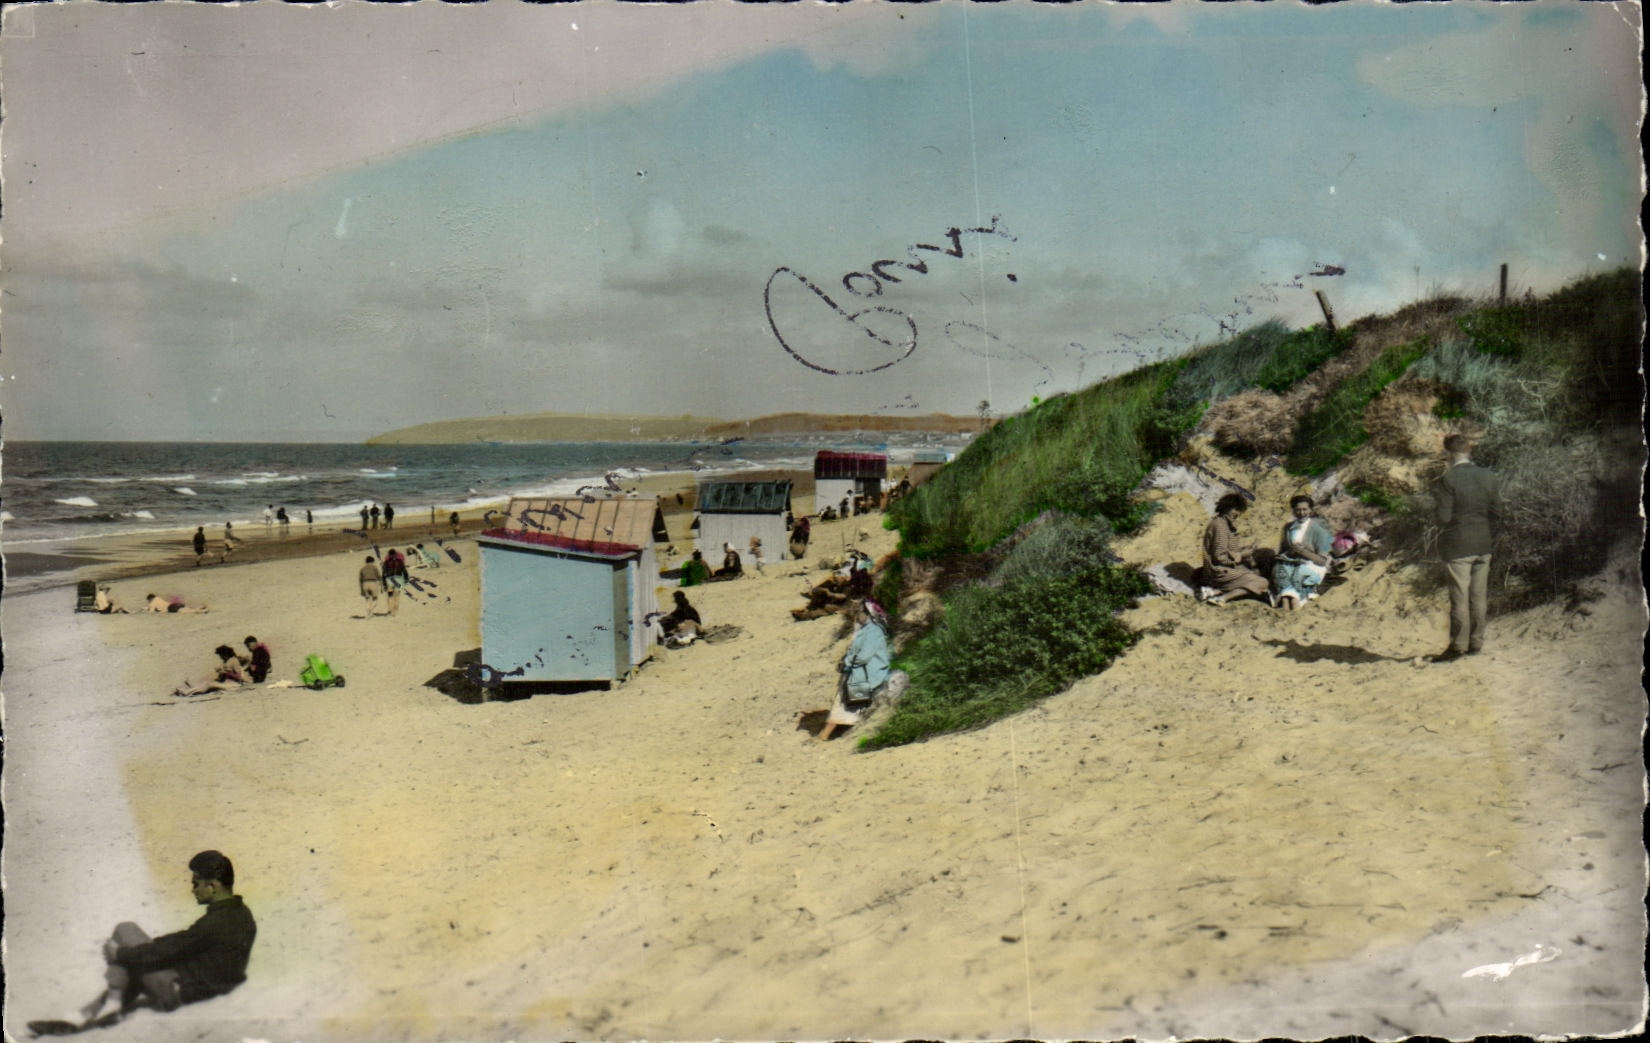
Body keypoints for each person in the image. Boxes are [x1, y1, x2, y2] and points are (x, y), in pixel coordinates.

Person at [71, 850, 255, 1027]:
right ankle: (101, 1006)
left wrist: (119, 953)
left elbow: (173, 946)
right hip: (206, 984)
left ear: (212, 886)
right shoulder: (242, 914)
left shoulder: (215, 922)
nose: (193, 890)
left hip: (175, 992)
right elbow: (181, 941)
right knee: (137, 957)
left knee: (125, 930)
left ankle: (108, 1002)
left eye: (196, 884)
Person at [1433, 433, 1502, 662]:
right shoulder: (1488, 475)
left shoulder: (1448, 479)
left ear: (1449, 454)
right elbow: (1498, 512)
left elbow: (1443, 518)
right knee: (1479, 596)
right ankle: (1476, 642)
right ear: (1469, 451)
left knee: (1460, 597)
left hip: (1459, 545)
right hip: (1483, 542)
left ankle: (1458, 645)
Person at [821, 600, 892, 740]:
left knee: (843, 699)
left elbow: (864, 656)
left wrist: (846, 663)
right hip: (861, 670)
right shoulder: (867, 629)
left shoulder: (874, 631)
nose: (857, 615)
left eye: (860, 612)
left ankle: (825, 733)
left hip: (867, 672)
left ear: (868, 614)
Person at [1201, 493, 1269, 605]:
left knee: (1256, 573)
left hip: (1221, 570)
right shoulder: (1220, 526)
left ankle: (1214, 592)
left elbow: (1225, 549)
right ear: (1226, 507)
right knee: (1262, 582)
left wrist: (1242, 551)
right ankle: (1222, 598)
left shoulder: (1222, 523)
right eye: (1235, 509)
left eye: (1239, 510)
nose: (1237, 513)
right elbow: (1219, 557)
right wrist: (1241, 555)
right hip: (1219, 572)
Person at [1272, 495, 1335, 610]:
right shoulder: (1288, 528)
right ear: (1293, 510)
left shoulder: (1319, 531)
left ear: (1311, 510)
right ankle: (1285, 603)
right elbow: (1283, 551)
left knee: (1298, 574)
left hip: (1310, 565)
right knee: (1279, 570)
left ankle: (1295, 602)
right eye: (1298, 510)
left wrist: (1303, 552)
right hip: (1291, 564)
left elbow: (1322, 561)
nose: (1301, 513)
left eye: (1305, 509)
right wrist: (1286, 554)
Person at [173, 646, 246, 696]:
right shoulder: (226, 661)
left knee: (209, 684)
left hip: (234, 685)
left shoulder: (234, 660)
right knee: (207, 681)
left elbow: (239, 677)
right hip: (226, 683)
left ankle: (187, 692)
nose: (220, 657)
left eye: (221, 655)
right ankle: (191, 688)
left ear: (225, 654)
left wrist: (226, 673)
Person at [381, 548, 407, 615]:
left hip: (389, 580)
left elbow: (384, 573)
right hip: (398, 580)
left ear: (389, 555)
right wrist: (406, 580)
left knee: (390, 596)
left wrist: (384, 582)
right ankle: (395, 610)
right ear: (396, 554)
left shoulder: (386, 563)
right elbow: (404, 571)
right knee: (397, 596)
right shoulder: (400, 561)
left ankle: (391, 610)